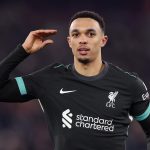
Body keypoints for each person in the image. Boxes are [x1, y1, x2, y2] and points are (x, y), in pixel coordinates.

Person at [0, 10, 150, 150]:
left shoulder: (130, 85)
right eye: (76, 35)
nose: (83, 40)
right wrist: (23, 50)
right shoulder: (50, 78)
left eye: (90, 34)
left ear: (103, 40)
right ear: (69, 41)